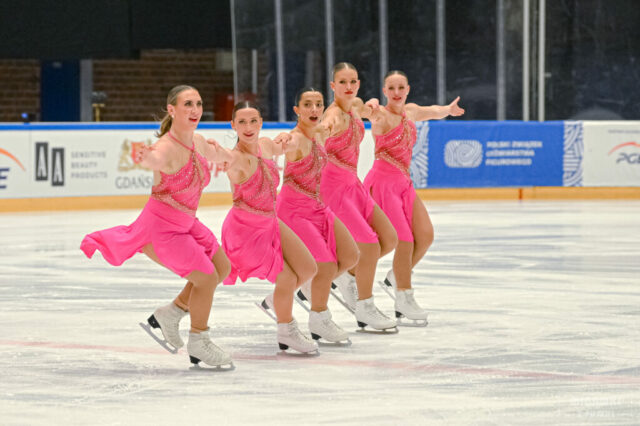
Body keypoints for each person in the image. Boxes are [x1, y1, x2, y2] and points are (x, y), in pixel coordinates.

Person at [81, 85, 233, 368]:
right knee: (206, 278)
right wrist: (146, 157)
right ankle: (199, 341)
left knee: (222, 267)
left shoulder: (198, 141)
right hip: (162, 229)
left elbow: (223, 157)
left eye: (199, 104)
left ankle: (171, 313)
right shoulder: (165, 147)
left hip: (187, 222)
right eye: (188, 104)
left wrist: (232, 155)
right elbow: (155, 159)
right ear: (172, 110)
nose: (195, 110)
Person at [206, 101, 319, 354]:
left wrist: (286, 137)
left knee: (308, 268)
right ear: (233, 125)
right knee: (287, 278)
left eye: (253, 121)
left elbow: (283, 144)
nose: (248, 127)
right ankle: (286, 331)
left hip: (270, 220)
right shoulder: (235, 158)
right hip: (245, 230)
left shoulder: (266, 146)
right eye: (242, 122)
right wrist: (213, 151)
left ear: (261, 123)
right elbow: (222, 157)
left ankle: (278, 299)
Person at [363, 70, 464, 325]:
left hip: (404, 183)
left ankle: (397, 276)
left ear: (408, 89)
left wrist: (448, 110)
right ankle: (403, 298)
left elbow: (433, 111)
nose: (397, 92)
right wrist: (369, 105)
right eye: (391, 88)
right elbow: (364, 113)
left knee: (425, 235)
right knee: (404, 240)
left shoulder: (412, 111)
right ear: (384, 91)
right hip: (384, 183)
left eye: (401, 87)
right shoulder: (381, 115)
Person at [277, 87, 359, 344]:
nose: (314, 109)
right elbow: (277, 145)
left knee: (350, 256)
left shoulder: (321, 133)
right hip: (294, 210)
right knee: (326, 265)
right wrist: (279, 140)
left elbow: (345, 113)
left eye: (318, 104)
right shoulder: (294, 139)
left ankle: (299, 287)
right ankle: (319, 319)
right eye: (307, 105)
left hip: (317, 207)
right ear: (297, 110)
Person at [320, 62, 398, 332]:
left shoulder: (354, 105)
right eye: (342, 82)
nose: (349, 86)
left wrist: (373, 105)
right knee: (369, 246)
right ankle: (365, 307)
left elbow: (366, 110)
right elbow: (322, 130)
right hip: (333, 188)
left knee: (389, 239)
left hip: (354, 183)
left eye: (353, 81)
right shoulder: (332, 116)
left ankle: (344, 276)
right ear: (333, 86)